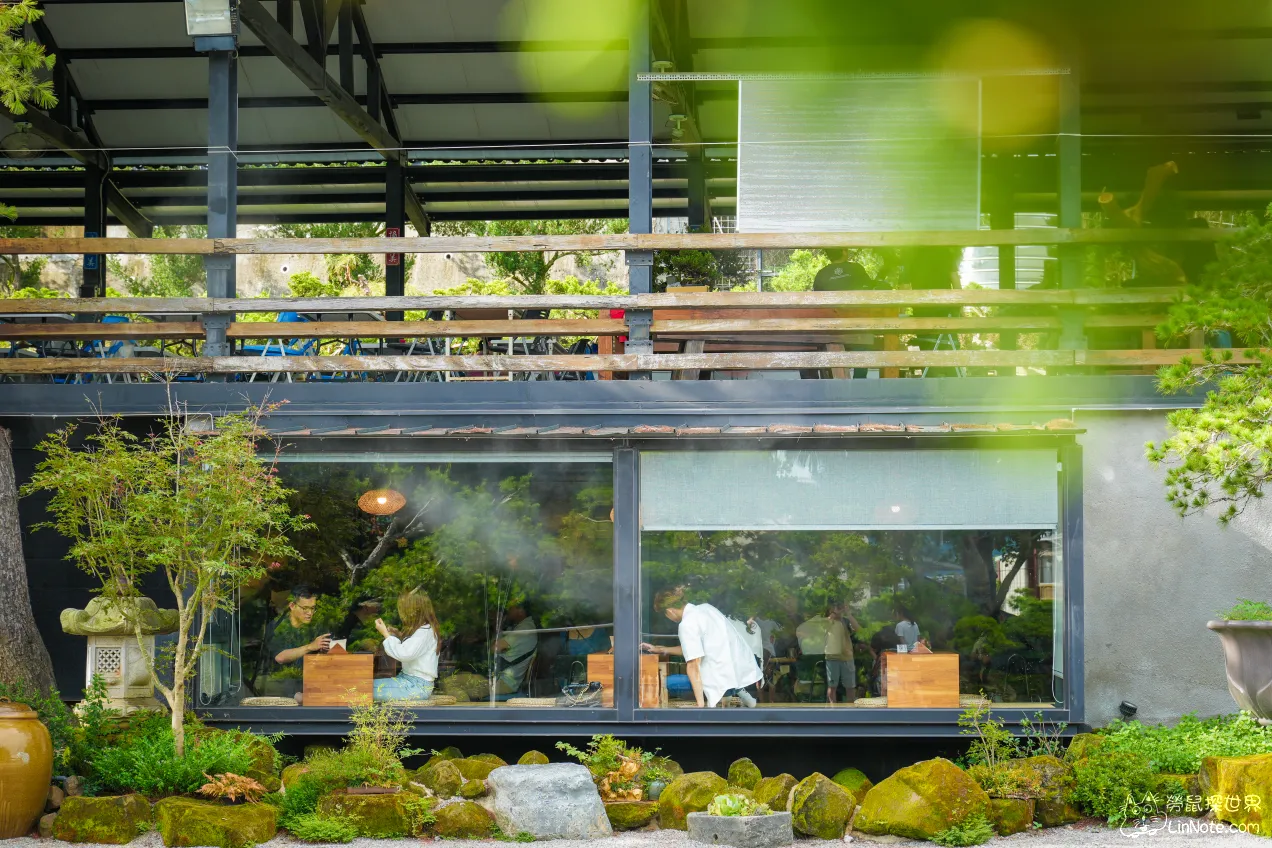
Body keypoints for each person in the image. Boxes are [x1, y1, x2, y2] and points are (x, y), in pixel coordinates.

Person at [641, 587, 762, 708]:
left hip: (718, 682)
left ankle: (725, 693)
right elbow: (694, 649)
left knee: (667, 682)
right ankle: (739, 692)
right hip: (738, 676)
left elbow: (693, 665)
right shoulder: (707, 609)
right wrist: (661, 649)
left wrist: (700, 706)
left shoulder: (687, 624)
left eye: (665, 614)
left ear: (670, 611)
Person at [263, 586, 330, 702]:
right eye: (305, 608)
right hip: (279, 686)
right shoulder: (277, 627)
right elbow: (280, 657)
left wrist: (323, 651)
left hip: (309, 683)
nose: (310, 613)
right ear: (292, 606)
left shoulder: (315, 626)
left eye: (313, 608)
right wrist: (310, 647)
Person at [372, 589, 440, 702]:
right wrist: (397, 635)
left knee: (362, 689)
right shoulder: (425, 630)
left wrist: (385, 634)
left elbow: (404, 654)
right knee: (363, 686)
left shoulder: (424, 632)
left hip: (415, 686)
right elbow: (412, 647)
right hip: (411, 682)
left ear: (414, 611)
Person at [493, 603, 538, 695]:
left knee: (464, 687)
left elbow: (495, 648)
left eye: (511, 607)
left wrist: (497, 624)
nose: (508, 610)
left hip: (504, 681)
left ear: (520, 610)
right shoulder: (521, 627)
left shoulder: (525, 629)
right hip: (501, 678)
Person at [824, 605, 856, 705]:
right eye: (836, 607)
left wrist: (848, 614)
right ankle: (833, 710)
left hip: (847, 657)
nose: (839, 609)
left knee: (850, 687)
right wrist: (834, 613)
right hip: (832, 657)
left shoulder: (846, 621)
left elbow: (857, 629)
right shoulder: (827, 621)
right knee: (832, 686)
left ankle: (851, 709)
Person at [812, 249, 884, 292]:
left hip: (831, 313)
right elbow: (869, 288)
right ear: (844, 251)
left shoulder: (821, 274)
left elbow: (815, 297)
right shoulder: (856, 268)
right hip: (856, 312)